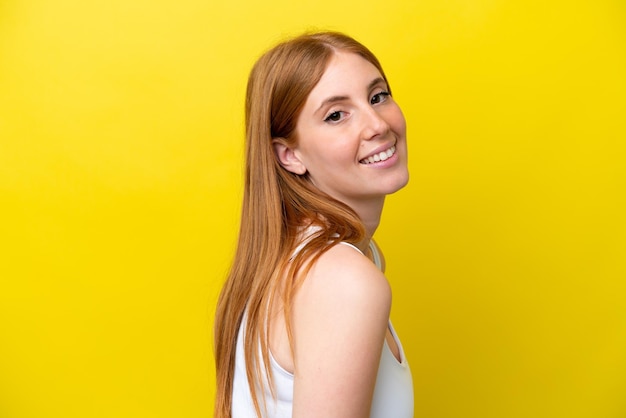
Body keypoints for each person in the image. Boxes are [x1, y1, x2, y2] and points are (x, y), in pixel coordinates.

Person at [214, 31, 413, 418]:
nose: (376, 125)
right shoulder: (342, 279)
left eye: (378, 96)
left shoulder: (312, 258)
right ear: (290, 156)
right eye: (336, 115)